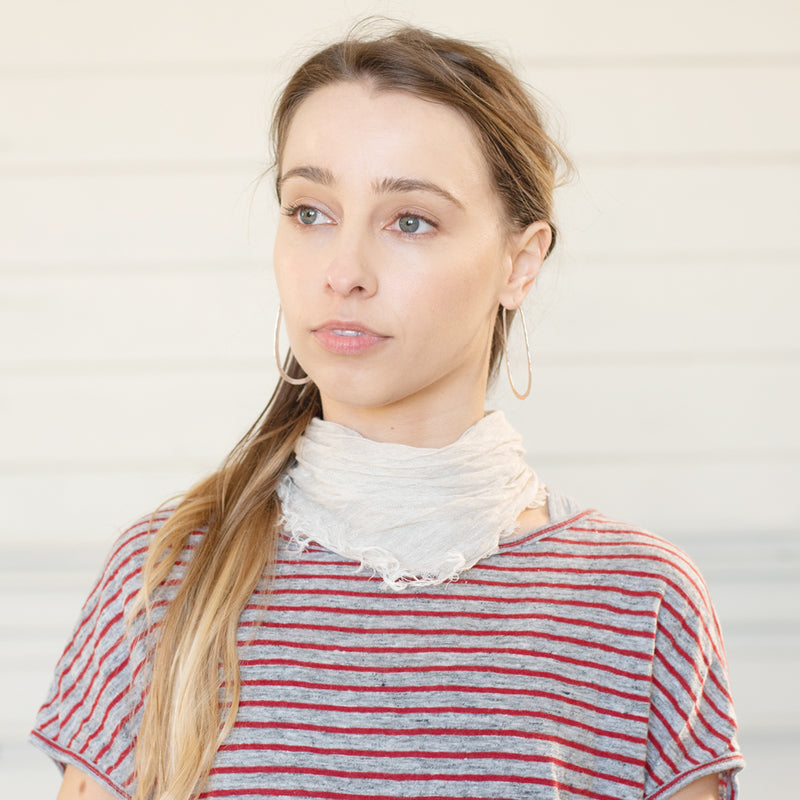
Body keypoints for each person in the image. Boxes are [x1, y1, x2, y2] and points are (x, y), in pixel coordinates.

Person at [32, 22, 743, 800]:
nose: (343, 271)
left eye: (410, 220)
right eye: (310, 212)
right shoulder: (165, 577)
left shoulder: (638, 602)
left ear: (520, 260)